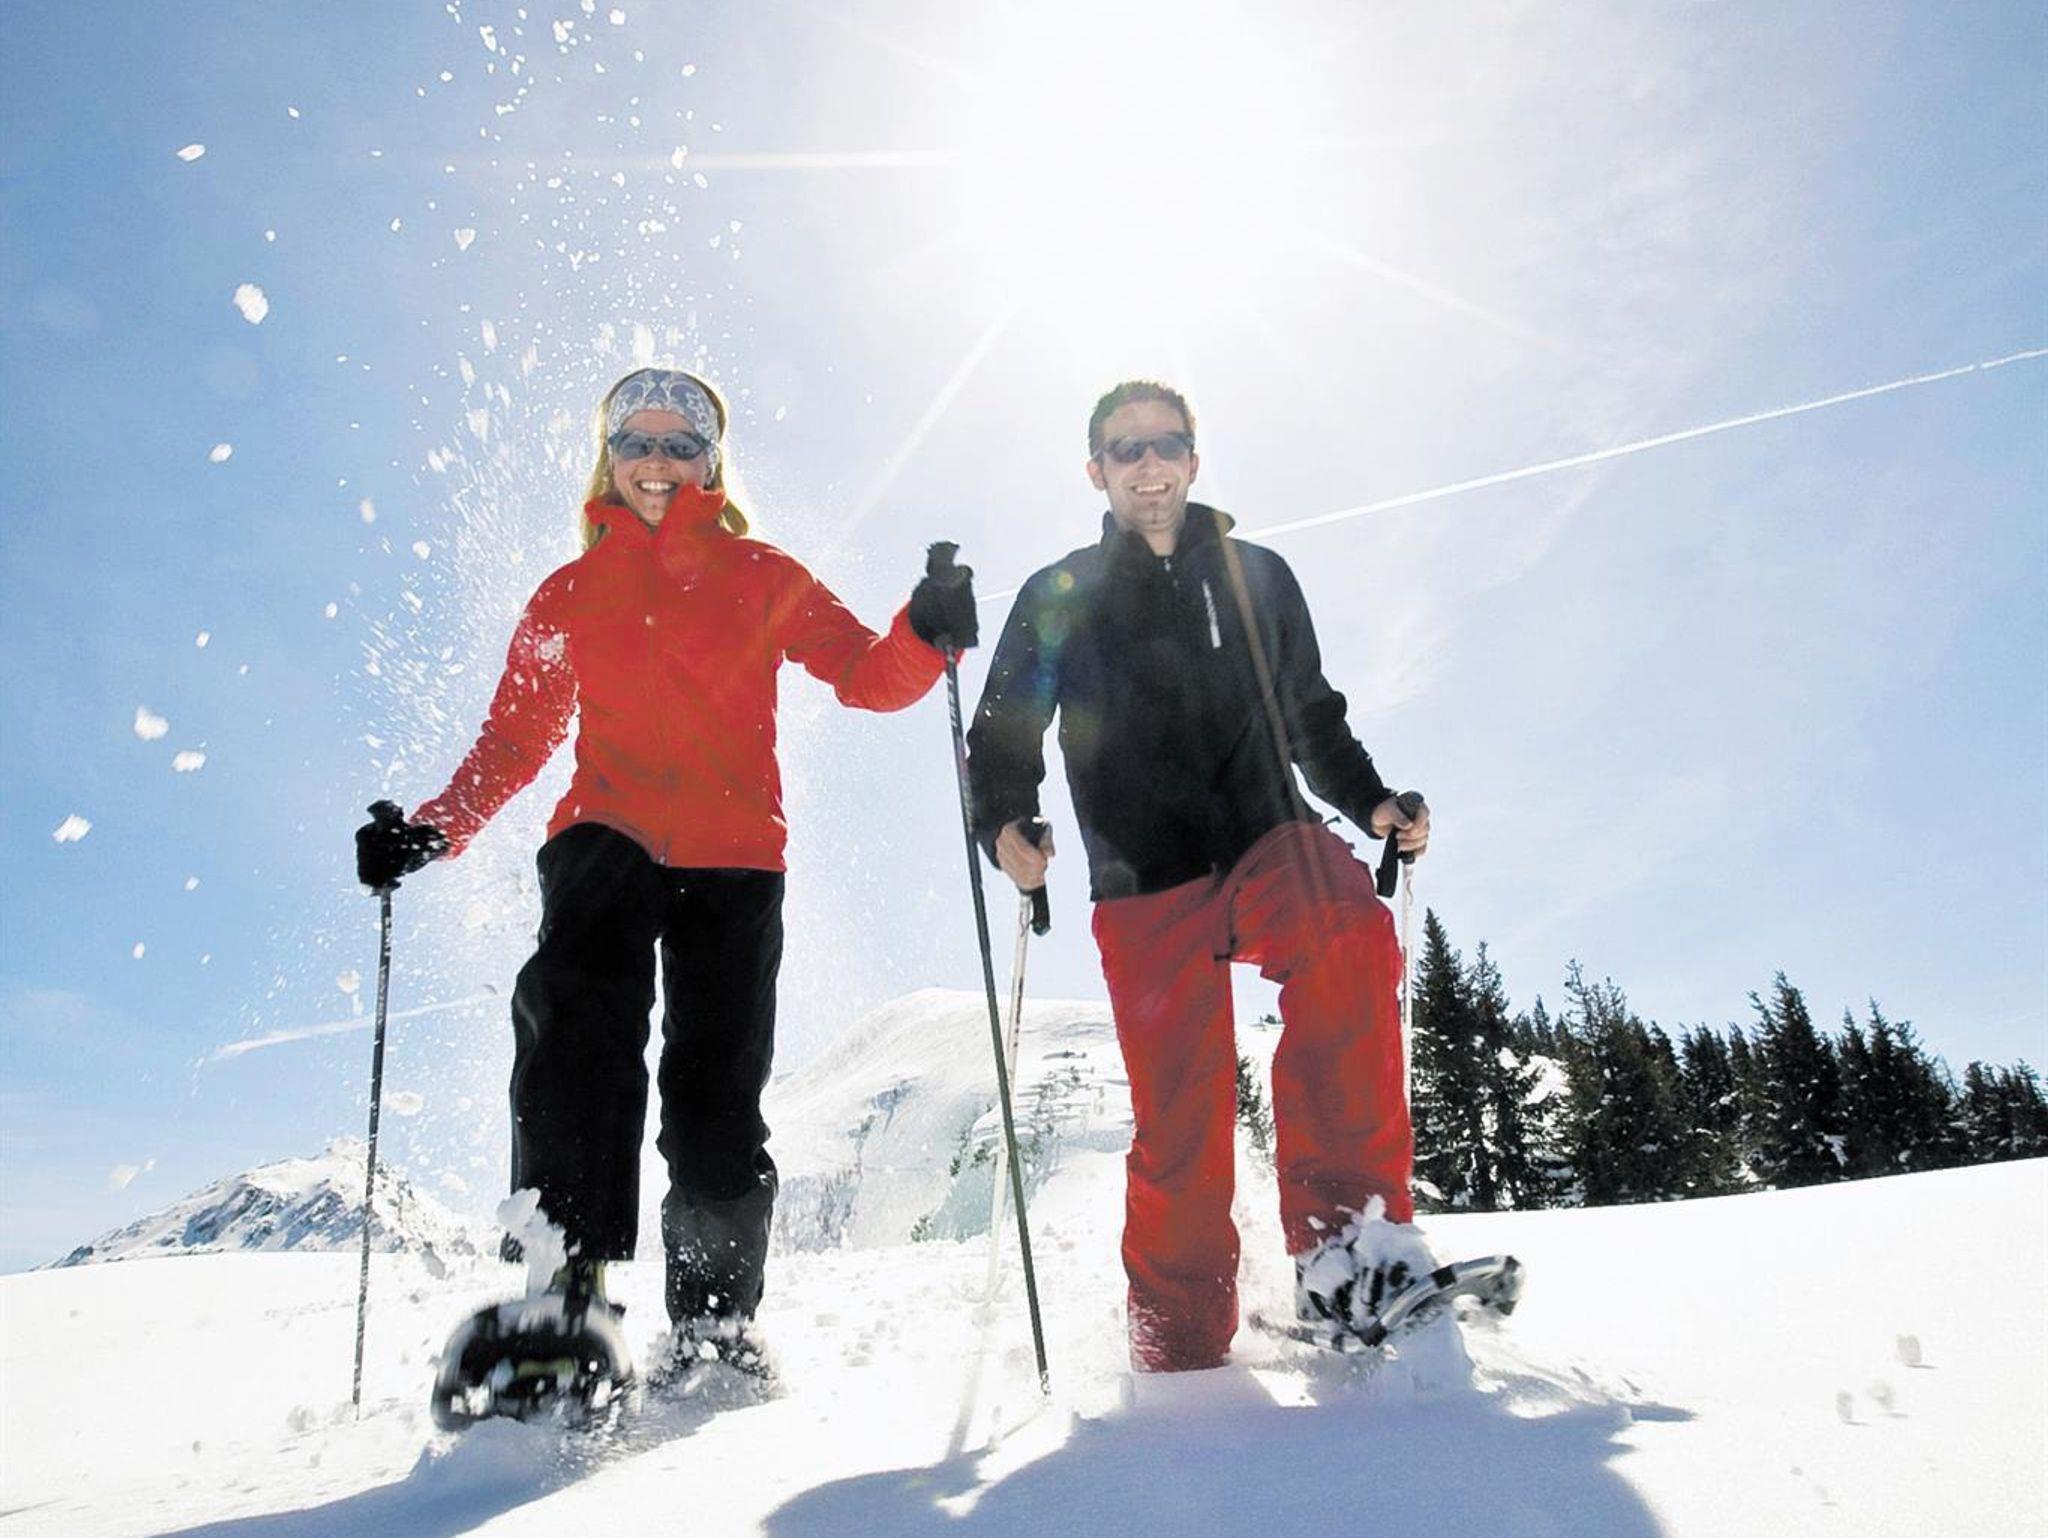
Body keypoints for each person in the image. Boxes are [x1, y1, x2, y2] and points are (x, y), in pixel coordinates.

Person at [356, 366, 977, 1375]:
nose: (657, 462)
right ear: (608, 460)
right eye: (635, 443)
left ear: (710, 463)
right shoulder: (567, 593)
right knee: (575, 1020)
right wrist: (432, 830)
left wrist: (922, 626)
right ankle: (563, 1285)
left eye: (680, 445)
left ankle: (715, 1319)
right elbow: (514, 740)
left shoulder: (762, 574)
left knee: (714, 1088)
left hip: (736, 856)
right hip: (603, 831)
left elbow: (866, 674)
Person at [965, 379, 1430, 1373]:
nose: (1148, 465)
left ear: (1193, 458)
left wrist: (1371, 803)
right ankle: (1177, 1345)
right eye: (1125, 449)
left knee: (1350, 934)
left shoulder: (1258, 576)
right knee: (1181, 1115)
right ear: (1096, 470)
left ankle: (1347, 1250)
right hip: (1142, 875)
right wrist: (1002, 824)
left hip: (1267, 832)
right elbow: (1004, 732)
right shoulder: (1058, 594)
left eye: (1165, 444)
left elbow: (1310, 716)